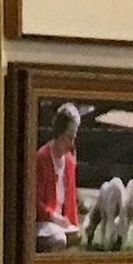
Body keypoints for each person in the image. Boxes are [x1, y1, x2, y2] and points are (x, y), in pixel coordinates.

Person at [33, 102, 80, 251]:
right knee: (58, 239)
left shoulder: (70, 163)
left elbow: (71, 202)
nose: (71, 144)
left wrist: (71, 224)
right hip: (43, 221)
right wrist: (54, 217)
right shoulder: (42, 157)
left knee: (75, 235)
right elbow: (35, 201)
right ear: (59, 133)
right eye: (68, 138)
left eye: (74, 138)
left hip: (59, 223)